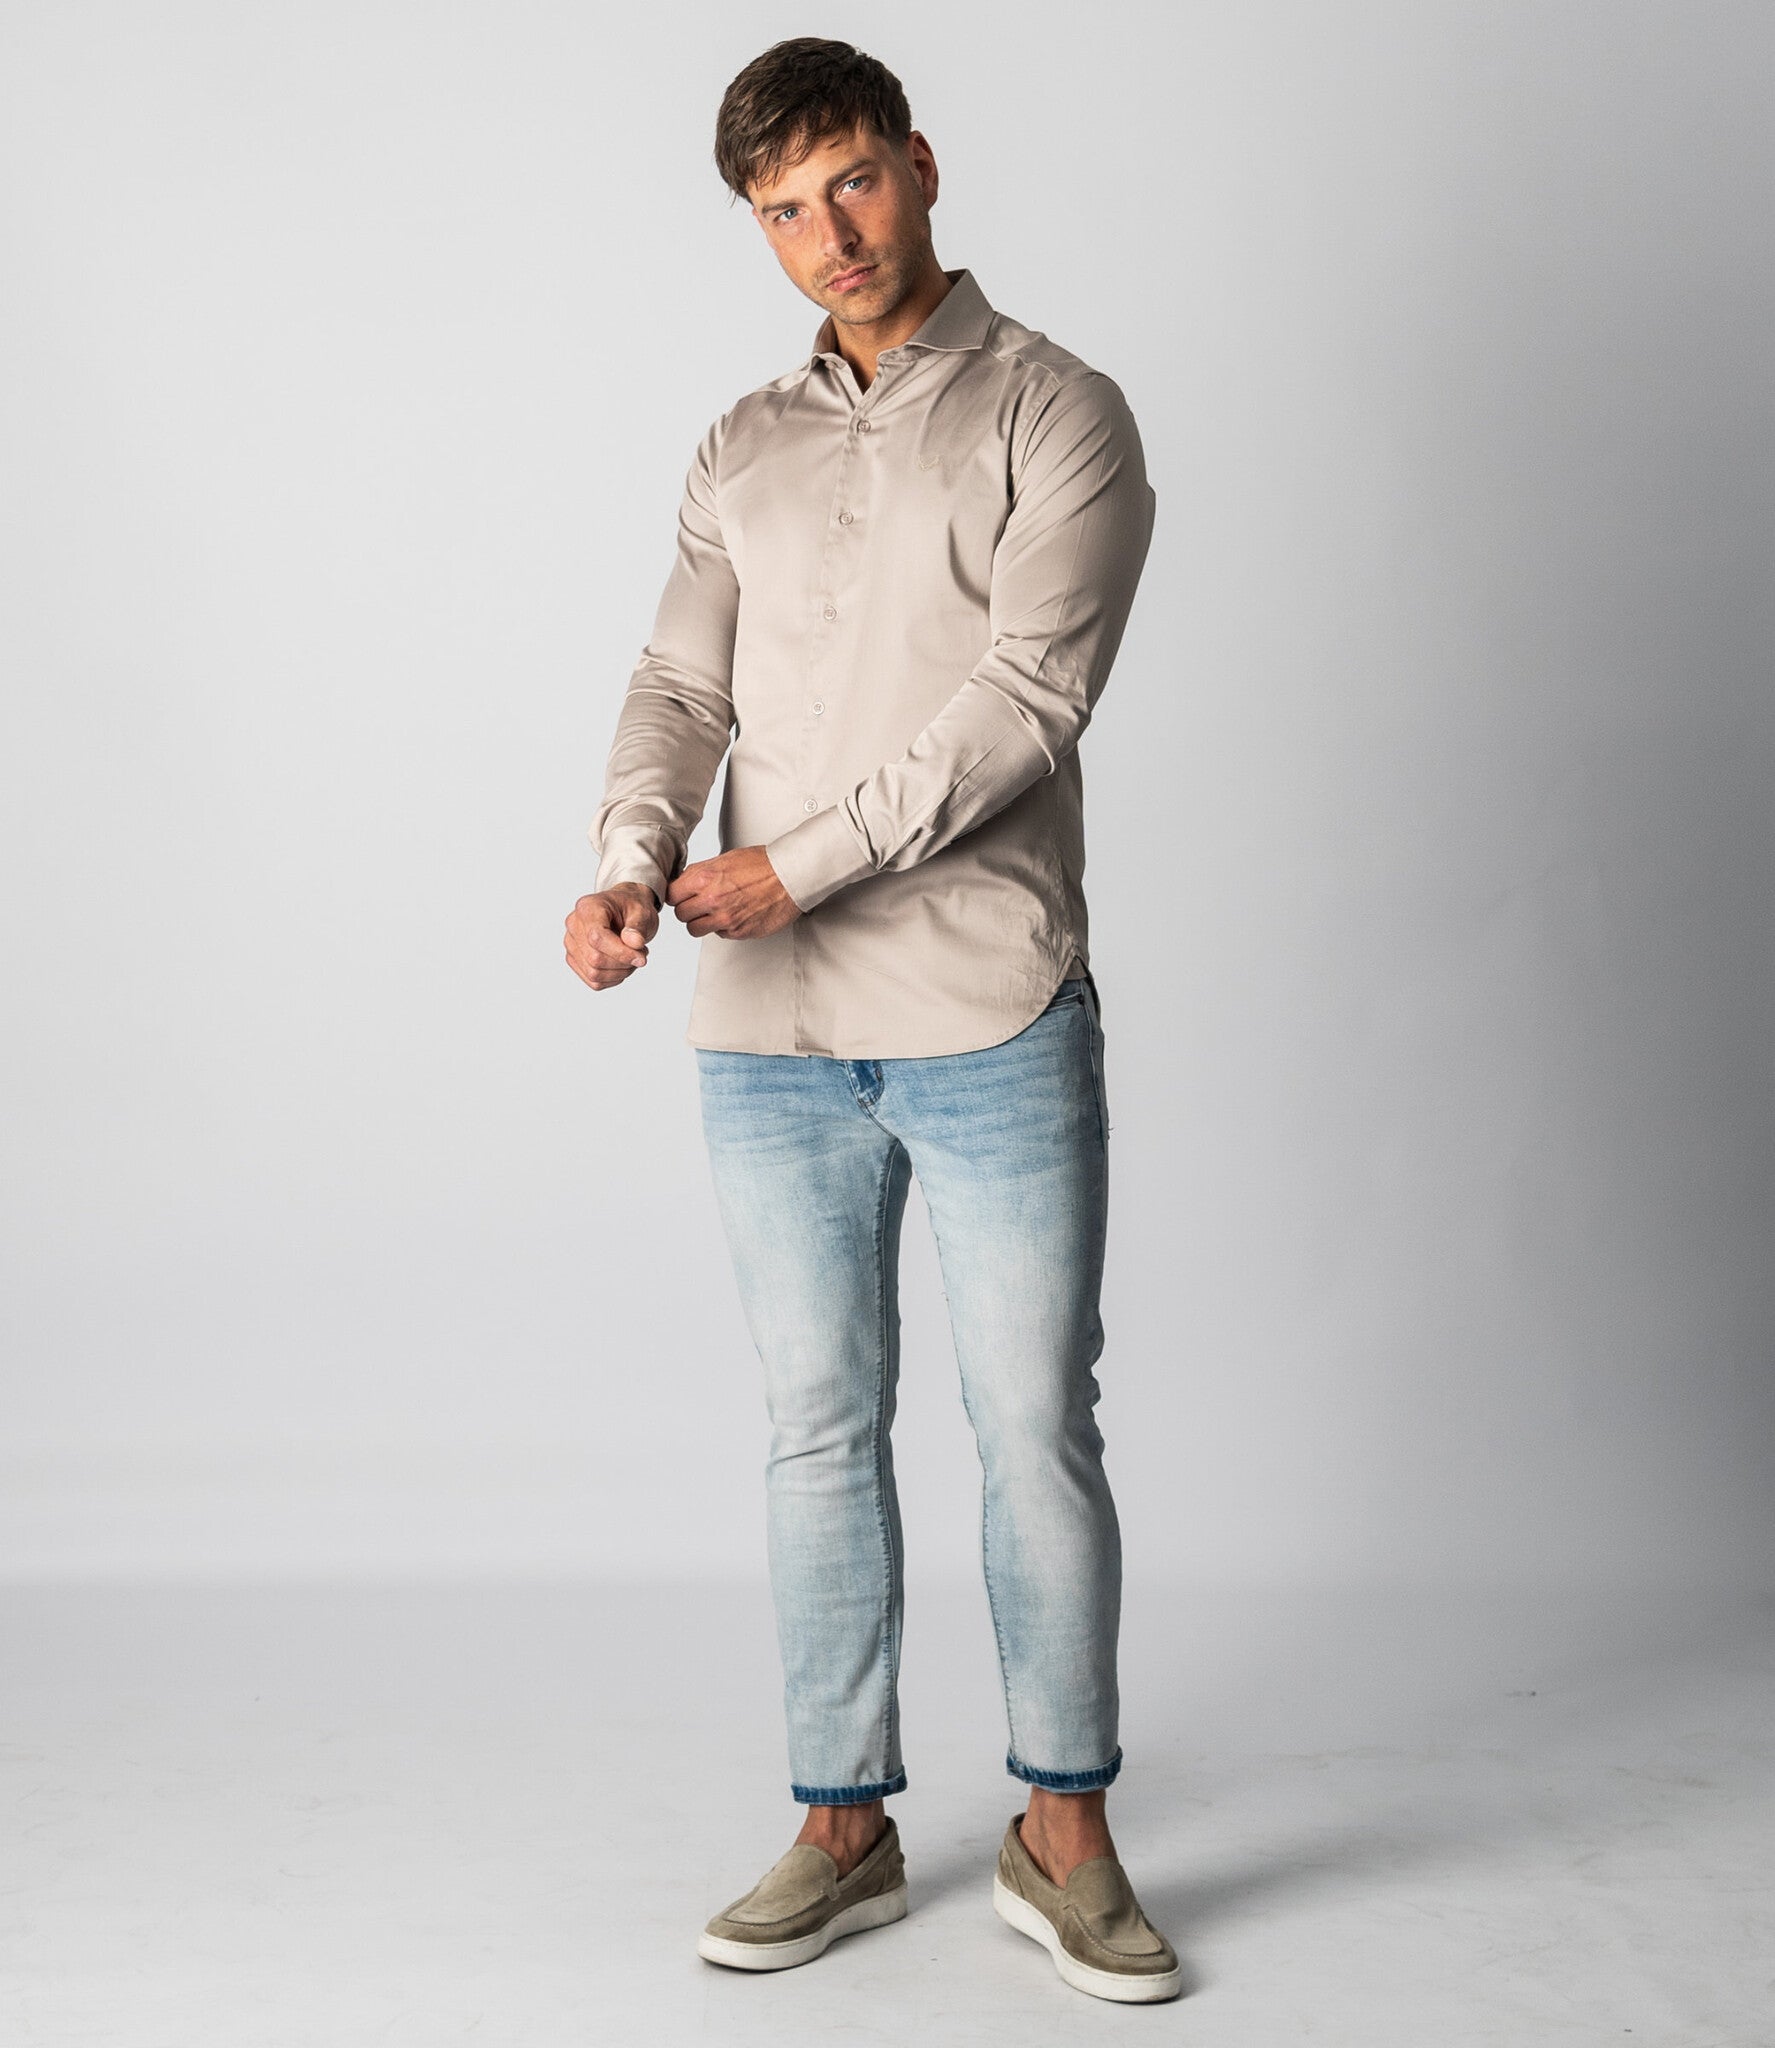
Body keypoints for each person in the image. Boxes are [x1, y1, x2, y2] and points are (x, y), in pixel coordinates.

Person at [563, 36, 1178, 2005]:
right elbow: (680, 684)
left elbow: (1029, 704)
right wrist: (634, 857)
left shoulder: (1059, 410)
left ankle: (1063, 1830)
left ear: (918, 163)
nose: (828, 234)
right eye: (782, 210)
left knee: (1032, 1427)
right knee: (816, 1429)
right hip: (766, 1031)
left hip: (990, 1006)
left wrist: (802, 863)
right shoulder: (738, 445)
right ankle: (845, 1823)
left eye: (850, 183)